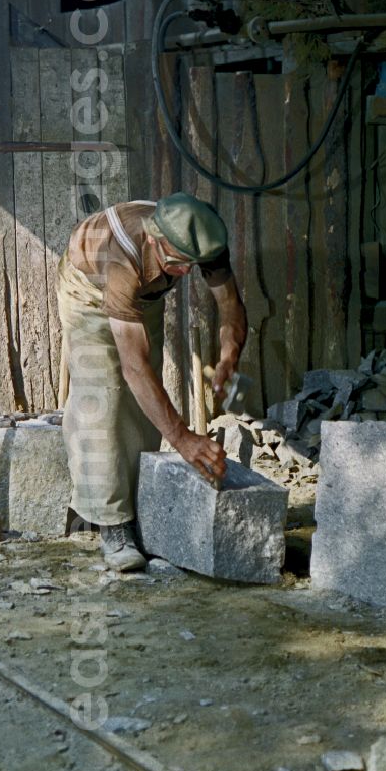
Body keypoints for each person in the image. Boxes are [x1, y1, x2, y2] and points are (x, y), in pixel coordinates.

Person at [59, 193, 247, 571]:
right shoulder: (123, 258)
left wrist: (229, 358)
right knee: (106, 396)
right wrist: (184, 441)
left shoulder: (201, 240)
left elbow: (230, 306)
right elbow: (132, 367)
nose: (185, 273)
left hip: (143, 296)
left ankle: (138, 501)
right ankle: (112, 524)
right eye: (177, 264)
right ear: (153, 239)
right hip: (90, 292)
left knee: (147, 404)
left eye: (192, 265)